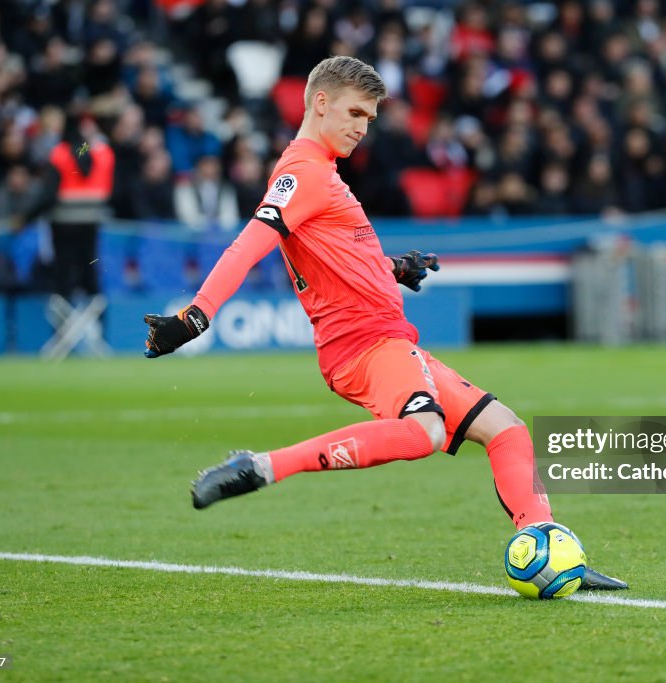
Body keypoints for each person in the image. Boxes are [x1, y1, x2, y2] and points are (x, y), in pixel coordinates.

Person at [142, 56, 627, 591]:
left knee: (507, 430)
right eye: (354, 112)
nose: (360, 127)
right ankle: (262, 466)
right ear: (319, 102)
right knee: (425, 430)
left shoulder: (323, 173)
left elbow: (333, 251)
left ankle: (549, 548)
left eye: (369, 118)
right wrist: (195, 316)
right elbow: (249, 244)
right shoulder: (302, 172)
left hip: (387, 338)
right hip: (363, 345)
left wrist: (393, 268)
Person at [21, 115, 115, 299]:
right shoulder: (104, 154)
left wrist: (25, 218)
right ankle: (96, 321)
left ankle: (63, 321)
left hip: (63, 223)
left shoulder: (60, 153)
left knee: (63, 273)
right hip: (91, 222)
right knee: (90, 271)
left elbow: (47, 196)